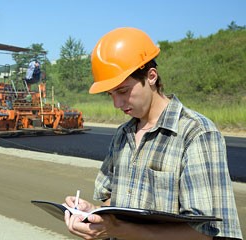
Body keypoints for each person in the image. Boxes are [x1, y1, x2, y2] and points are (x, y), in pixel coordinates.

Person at [63, 27, 242, 239]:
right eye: (110, 94)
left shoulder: (196, 134)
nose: (117, 103)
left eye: (123, 91)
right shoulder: (123, 134)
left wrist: (117, 229)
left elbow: (204, 233)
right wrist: (93, 213)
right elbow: (116, 200)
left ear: (151, 76)